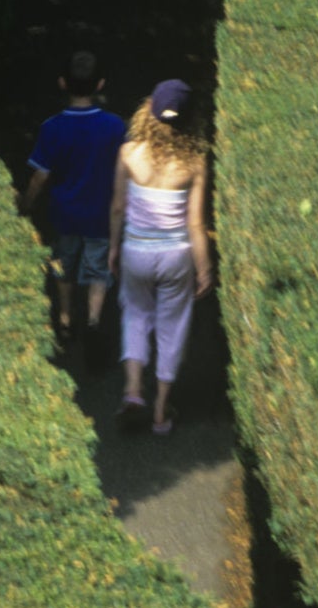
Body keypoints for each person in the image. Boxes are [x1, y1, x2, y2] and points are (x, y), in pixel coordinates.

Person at [109, 78, 212, 435]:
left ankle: (133, 392)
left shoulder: (128, 154)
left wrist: (112, 248)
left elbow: (119, 207)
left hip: (135, 250)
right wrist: (204, 267)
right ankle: (160, 411)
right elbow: (196, 224)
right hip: (175, 256)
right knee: (172, 328)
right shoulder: (195, 162)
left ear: (149, 110)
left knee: (135, 316)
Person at [20, 51, 127, 360]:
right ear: (101, 84)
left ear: (62, 83)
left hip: (64, 214)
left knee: (63, 266)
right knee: (97, 270)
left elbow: (40, 177)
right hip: (100, 214)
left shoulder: (52, 128)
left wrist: (26, 205)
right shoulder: (114, 126)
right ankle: (93, 321)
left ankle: (66, 319)